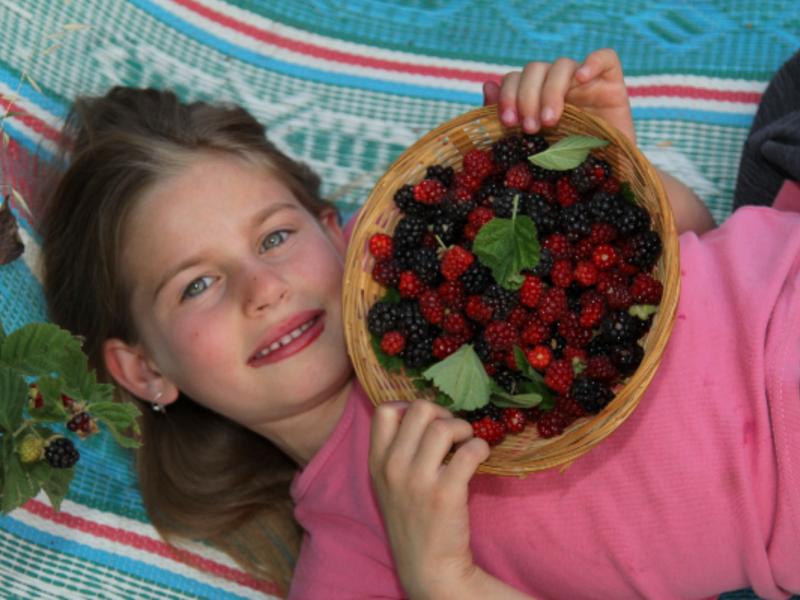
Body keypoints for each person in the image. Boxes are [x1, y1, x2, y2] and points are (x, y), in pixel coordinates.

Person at [37, 46, 797, 600]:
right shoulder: (359, 556)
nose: (262, 288)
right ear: (145, 371)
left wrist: (612, 165)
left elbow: (697, 244)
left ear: (339, 234)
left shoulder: (441, 255)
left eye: (275, 237)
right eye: (196, 284)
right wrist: (441, 576)